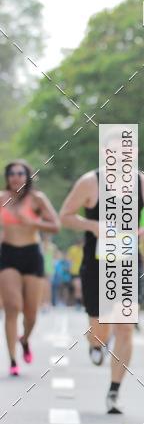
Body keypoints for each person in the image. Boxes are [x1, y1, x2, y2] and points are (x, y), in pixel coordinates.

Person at [59, 163, 144, 413]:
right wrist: (92, 226)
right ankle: (96, 344)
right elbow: (65, 216)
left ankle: (114, 391)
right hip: (95, 264)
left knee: (125, 327)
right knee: (99, 329)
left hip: (128, 262)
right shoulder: (90, 181)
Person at [0, 160, 60, 376]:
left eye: (20, 173)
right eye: (11, 173)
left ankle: (24, 339)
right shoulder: (2, 198)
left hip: (32, 255)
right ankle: (12, 360)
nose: (16, 177)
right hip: (8, 254)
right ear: (7, 177)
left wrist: (33, 223)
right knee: (12, 306)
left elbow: (56, 226)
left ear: (27, 177)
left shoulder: (37, 199)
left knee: (31, 313)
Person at [66, 237, 84, 307]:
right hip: (74, 272)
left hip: (83, 271)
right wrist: (69, 268)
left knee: (79, 287)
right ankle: (78, 303)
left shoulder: (84, 249)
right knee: (77, 287)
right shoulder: (72, 249)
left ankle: (79, 302)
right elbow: (69, 260)